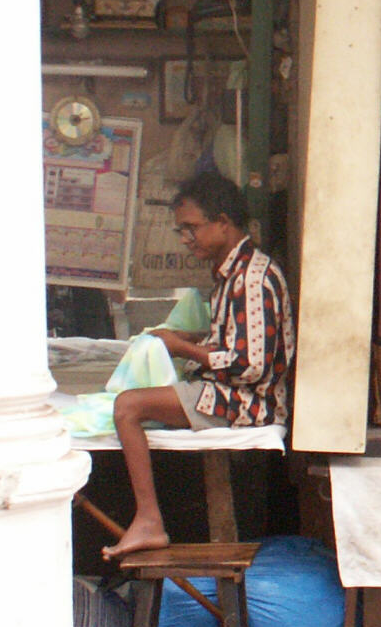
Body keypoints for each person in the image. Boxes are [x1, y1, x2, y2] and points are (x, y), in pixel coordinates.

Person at [102, 173, 296, 559]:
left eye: (191, 228)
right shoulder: (231, 274)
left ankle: (148, 520)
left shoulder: (251, 279)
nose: (186, 239)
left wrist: (183, 348)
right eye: (182, 231)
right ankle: (148, 518)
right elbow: (234, 340)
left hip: (250, 405)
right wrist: (189, 338)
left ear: (223, 222)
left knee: (128, 407)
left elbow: (251, 366)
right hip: (234, 392)